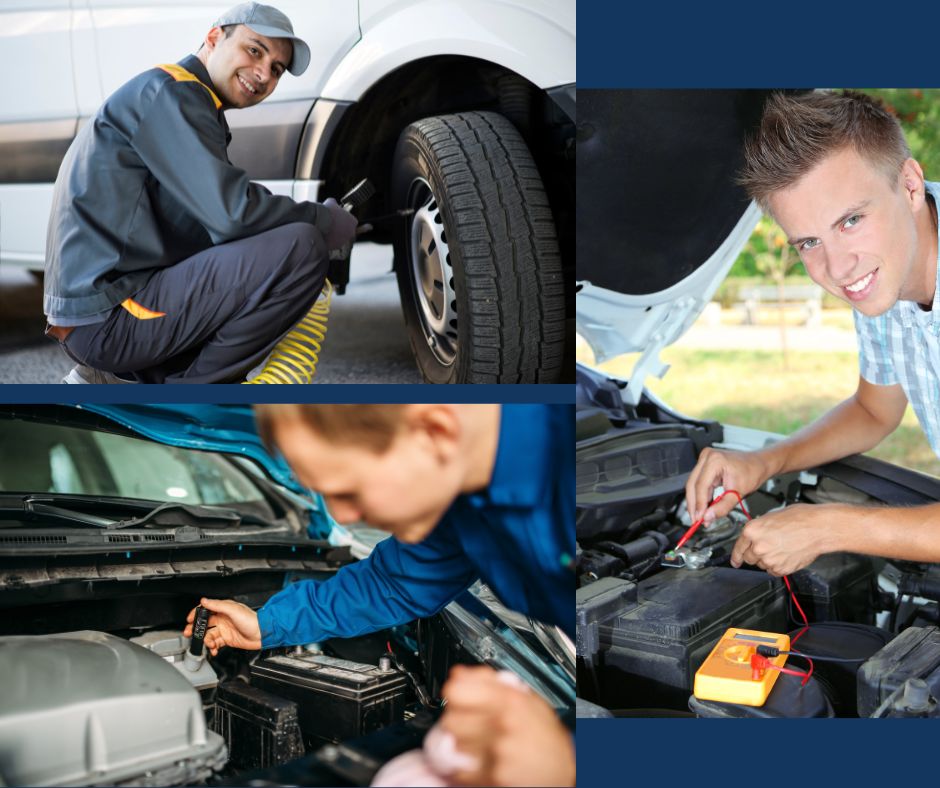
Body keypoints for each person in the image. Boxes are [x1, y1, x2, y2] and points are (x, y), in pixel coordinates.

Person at [184, 404, 575, 787]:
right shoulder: (454, 498)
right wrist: (266, 624)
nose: (344, 517)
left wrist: (567, 765)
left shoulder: (574, 473)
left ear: (435, 432)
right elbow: (391, 583)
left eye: (350, 491)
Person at [686, 90, 940, 577]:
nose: (837, 268)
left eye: (851, 220)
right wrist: (762, 463)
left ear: (909, 184)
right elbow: (874, 410)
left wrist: (828, 528)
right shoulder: (885, 271)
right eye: (809, 242)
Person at [44, 2, 358, 383]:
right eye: (254, 50)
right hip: (110, 317)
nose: (263, 74)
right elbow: (232, 214)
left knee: (266, 253)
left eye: (276, 69)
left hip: (107, 314)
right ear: (213, 37)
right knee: (301, 246)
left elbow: (214, 231)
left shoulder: (180, 98)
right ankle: (196, 397)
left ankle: (116, 379)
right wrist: (324, 220)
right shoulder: (173, 93)